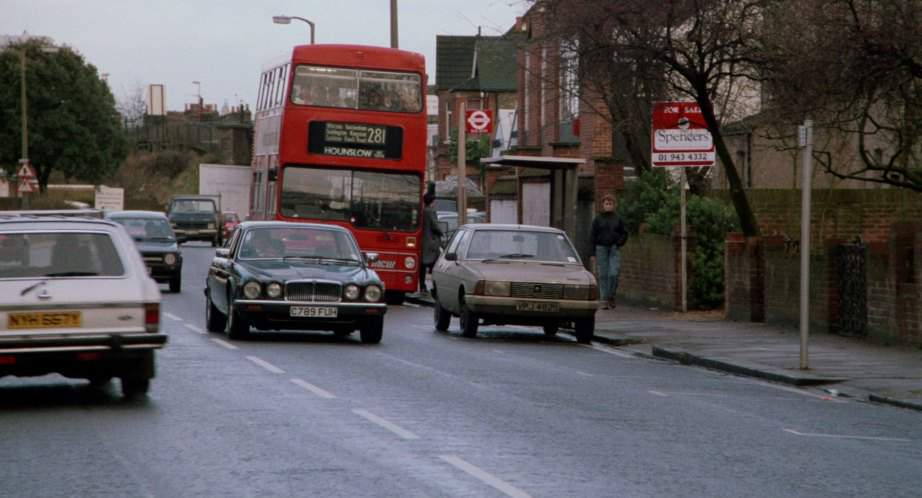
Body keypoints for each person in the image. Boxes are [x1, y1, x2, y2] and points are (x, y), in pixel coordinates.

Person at [590, 193, 628, 309]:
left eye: (610, 204)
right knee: (603, 275)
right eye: (606, 204)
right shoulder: (598, 219)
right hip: (601, 248)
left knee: (613, 273)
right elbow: (592, 236)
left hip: (613, 248)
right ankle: (604, 300)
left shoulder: (618, 219)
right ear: (603, 205)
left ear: (614, 205)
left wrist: (619, 243)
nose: (608, 206)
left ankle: (611, 294)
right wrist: (592, 253)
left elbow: (625, 233)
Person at [419, 192, 442, 295]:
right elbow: (435, 226)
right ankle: (435, 287)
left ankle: (422, 286)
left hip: (422, 242)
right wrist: (441, 232)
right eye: (434, 201)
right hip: (430, 243)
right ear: (432, 202)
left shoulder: (423, 211)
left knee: (422, 267)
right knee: (436, 266)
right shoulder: (431, 211)